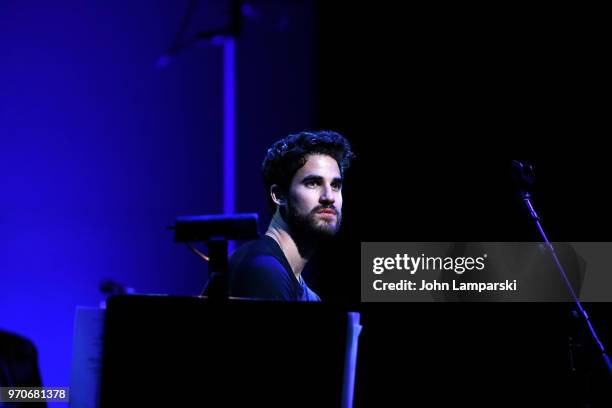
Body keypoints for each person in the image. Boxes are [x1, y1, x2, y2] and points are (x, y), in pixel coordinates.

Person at [228, 130, 354, 301]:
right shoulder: (261, 269)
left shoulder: (308, 295)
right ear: (279, 195)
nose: (329, 197)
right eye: (313, 183)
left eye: (336, 185)